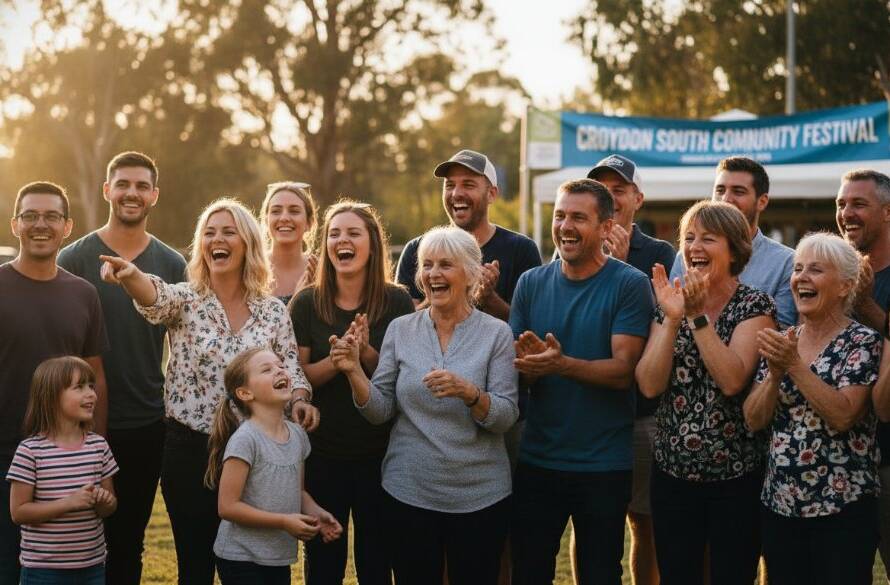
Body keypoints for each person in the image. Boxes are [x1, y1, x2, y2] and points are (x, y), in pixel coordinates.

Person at [99, 198, 317, 585]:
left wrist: (300, 399)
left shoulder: (272, 311)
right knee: (195, 567)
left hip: (255, 453)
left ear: (248, 242)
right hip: (190, 451)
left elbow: (291, 367)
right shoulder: (187, 300)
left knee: (249, 568)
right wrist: (131, 274)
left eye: (228, 231)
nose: (217, 239)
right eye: (209, 233)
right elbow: (154, 295)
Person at [331, 226, 518, 585]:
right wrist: (354, 371)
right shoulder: (402, 330)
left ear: (470, 273)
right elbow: (381, 410)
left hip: (480, 496)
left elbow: (505, 417)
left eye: (445, 265)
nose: (433, 274)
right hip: (409, 492)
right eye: (427, 265)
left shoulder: (496, 334)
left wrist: (470, 394)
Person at [510, 179, 654, 585]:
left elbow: (623, 370)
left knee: (599, 573)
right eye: (559, 215)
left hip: (603, 463)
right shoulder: (531, 283)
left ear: (607, 227)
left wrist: (560, 364)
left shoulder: (629, 284)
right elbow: (511, 358)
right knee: (529, 569)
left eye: (578, 217)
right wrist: (530, 359)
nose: (565, 226)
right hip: (538, 458)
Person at [57, 151, 186, 585]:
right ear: (107, 189)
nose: (132, 193)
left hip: (147, 423)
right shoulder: (74, 258)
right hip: (77, 422)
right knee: (73, 538)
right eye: (123, 184)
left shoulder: (172, 264)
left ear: (154, 196)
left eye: (141, 186)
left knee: (128, 540)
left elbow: (182, 344)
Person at [636, 200, 776, 585]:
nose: (694, 247)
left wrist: (697, 319)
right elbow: (649, 384)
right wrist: (671, 319)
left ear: (734, 250)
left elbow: (732, 380)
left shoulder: (755, 305)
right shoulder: (670, 302)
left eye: (708, 239)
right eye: (689, 238)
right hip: (672, 476)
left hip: (736, 478)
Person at [744, 232, 882, 585]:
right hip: (781, 505)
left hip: (842, 508)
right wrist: (774, 376)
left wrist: (793, 367)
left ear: (844, 286)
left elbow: (844, 415)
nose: (801, 278)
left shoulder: (863, 342)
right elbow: (754, 419)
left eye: (816, 270)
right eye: (798, 268)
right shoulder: (785, 339)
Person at [291, 201, 414, 584]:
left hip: (381, 456)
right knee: (324, 562)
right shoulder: (307, 302)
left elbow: (400, 379)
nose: (342, 240)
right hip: (323, 455)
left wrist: (365, 354)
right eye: (334, 233)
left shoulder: (396, 301)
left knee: (377, 562)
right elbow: (298, 377)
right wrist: (339, 360)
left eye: (353, 233)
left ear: (373, 244)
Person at [565, 154, 674, 585]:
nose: (611, 195)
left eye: (620, 189)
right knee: (588, 521)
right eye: (603, 188)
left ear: (637, 199)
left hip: (643, 410)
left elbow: (665, 322)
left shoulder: (660, 252)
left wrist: (623, 269)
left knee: (644, 520)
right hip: (590, 408)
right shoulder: (571, 245)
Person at [0, 181, 108, 582]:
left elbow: (95, 375)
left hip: (67, 454)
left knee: (63, 565)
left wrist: (97, 443)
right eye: (30, 216)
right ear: (15, 224)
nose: (39, 224)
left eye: (50, 216)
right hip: (4, 448)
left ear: (67, 226)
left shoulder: (83, 294)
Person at [205, 347, 342, 584]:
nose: (280, 371)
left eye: (280, 366)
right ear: (245, 393)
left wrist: (317, 513)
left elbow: (297, 492)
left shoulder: (298, 435)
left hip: (278, 557)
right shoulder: (246, 440)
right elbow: (227, 507)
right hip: (240, 558)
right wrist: (283, 521)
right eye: (267, 369)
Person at [7, 356, 118, 585]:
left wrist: (103, 501)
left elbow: (110, 507)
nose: (91, 394)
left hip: (92, 568)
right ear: (51, 397)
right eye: (79, 387)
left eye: (91, 386)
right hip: (43, 571)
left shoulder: (99, 446)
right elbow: (18, 512)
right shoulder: (30, 451)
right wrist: (69, 503)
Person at [836, 169, 890, 579]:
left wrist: (869, 307)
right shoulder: (835, 277)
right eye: (841, 204)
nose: (846, 213)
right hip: (841, 465)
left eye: (858, 204)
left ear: (887, 212)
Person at [670, 156, 796, 327]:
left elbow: (780, 334)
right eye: (720, 190)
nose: (726, 199)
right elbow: (674, 319)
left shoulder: (786, 262)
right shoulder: (686, 256)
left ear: (762, 201)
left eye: (738, 191)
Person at [260, 181, 319, 305]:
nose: (284, 218)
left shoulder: (320, 270)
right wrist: (297, 299)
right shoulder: (250, 266)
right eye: (276, 211)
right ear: (266, 220)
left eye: (294, 211)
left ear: (309, 222)